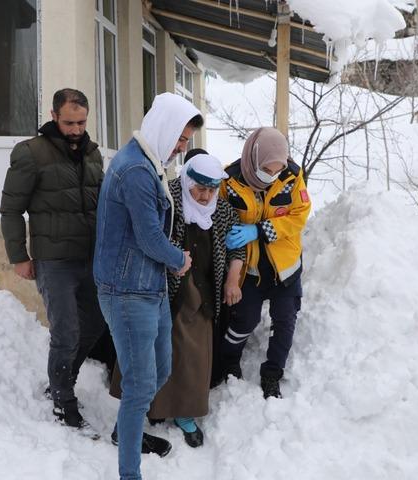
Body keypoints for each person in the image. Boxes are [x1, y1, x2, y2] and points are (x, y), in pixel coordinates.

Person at [93, 92, 202, 480]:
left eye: (186, 142)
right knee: (140, 385)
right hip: (127, 291)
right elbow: (149, 237)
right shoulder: (136, 170)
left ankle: (125, 432)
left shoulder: (149, 163)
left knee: (160, 368)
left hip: (148, 285)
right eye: (180, 138)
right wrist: (179, 260)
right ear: (164, 128)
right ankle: (129, 473)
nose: (181, 148)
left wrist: (166, 267)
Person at [109, 150, 245, 448]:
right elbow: (145, 234)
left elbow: (237, 248)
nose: (206, 196)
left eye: (212, 189)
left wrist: (233, 278)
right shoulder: (166, 199)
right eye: (200, 189)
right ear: (186, 181)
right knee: (149, 351)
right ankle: (138, 414)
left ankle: (184, 412)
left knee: (192, 356)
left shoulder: (221, 211)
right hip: (158, 287)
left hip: (201, 291)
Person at [0, 88, 109, 435]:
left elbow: (101, 206)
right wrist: (19, 256)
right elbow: (11, 208)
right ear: (53, 115)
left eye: (81, 122)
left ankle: (63, 381)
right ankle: (63, 401)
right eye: (69, 122)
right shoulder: (31, 153)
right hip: (54, 260)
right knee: (66, 330)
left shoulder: (93, 154)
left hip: (90, 258)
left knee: (94, 324)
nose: (76, 129)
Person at [215, 127, 312, 399]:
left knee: (285, 321)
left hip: (284, 267)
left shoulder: (292, 177)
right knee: (244, 319)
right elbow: (219, 216)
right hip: (249, 267)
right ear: (254, 159)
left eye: (276, 170)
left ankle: (272, 374)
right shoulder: (230, 180)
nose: (272, 177)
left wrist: (260, 230)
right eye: (267, 170)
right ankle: (230, 359)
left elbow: (299, 215)